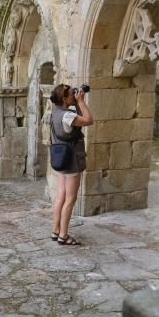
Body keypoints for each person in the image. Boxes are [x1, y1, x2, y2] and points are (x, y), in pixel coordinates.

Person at [49, 83, 94, 246]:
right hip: (72, 160)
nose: (73, 96)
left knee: (60, 196)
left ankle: (56, 231)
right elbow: (89, 120)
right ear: (64, 98)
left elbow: (80, 121)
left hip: (62, 158)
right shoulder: (68, 116)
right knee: (70, 199)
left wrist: (76, 102)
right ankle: (64, 235)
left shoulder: (55, 113)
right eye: (70, 95)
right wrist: (81, 101)